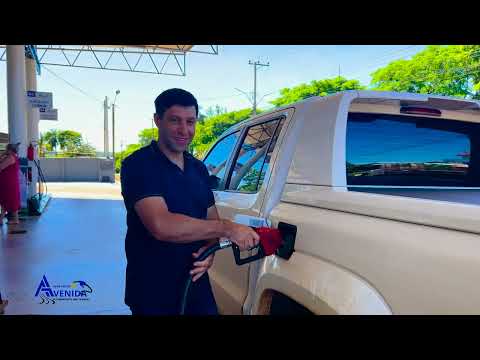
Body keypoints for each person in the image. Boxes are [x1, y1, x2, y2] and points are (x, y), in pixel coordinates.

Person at [120, 88, 259, 315]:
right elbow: (161, 225)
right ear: (157, 120)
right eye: (175, 121)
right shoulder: (139, 165)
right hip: (152, 289)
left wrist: (209, 250)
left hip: (196, 282)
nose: (184, 130)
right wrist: (228, 228)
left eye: (190, 121)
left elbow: (210, 216)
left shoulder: (197, 168)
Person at [0, 143, 21, 225]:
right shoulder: (12, 157)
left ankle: (14, 219)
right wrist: (3, 154)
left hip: (8, 182)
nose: (5, 150)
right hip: (9, 182)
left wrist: (3, 154)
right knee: (7, 200)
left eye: (6, 149)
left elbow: (1, 167)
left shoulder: (10, 158)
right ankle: (2, 219)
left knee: (9, 200)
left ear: (9, 150)